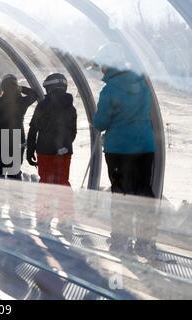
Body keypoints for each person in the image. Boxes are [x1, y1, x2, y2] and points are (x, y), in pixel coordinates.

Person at [92, 43, 157, 259]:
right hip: (145, 147)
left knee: (121, 193)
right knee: (143, 192)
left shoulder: (109, 90)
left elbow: (100, 122)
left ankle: (120, 240)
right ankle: (145, 242)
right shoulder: (142, 84)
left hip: (119, 149)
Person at [27, 73, 77, 187]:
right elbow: (73, 132)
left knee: (45, 182)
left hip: (45, 151)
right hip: (64, 152)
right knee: (62, 181)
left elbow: (33, 129)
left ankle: (44, 205)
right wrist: (64, 146)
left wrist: (30, 150)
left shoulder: (42, 106)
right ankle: (65, 205)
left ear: (50, 88)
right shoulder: (71, 108)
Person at [0, 74, 38, 180]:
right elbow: (34, 95)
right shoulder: (21, 101)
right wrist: (21, 88)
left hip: (0, 141)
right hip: (17, 139)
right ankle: (14, 194)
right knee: (14, 172)